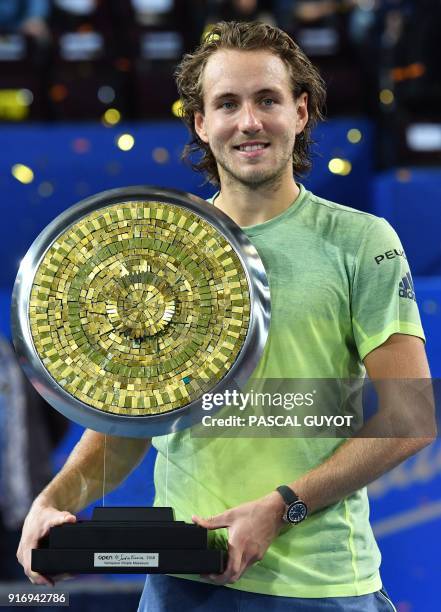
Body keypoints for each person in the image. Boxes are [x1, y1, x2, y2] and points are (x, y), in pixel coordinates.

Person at [17, 20, 435, 611]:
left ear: (302, 111)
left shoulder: (361, 240)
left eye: (268, 100)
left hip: (320, 587)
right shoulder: (161, 250)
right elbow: (128, 425)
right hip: (181, 585)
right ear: (201, 123)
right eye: (227, 104)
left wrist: (280, 505)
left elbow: (411, 416)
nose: (249, 122)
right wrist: (53, 498)